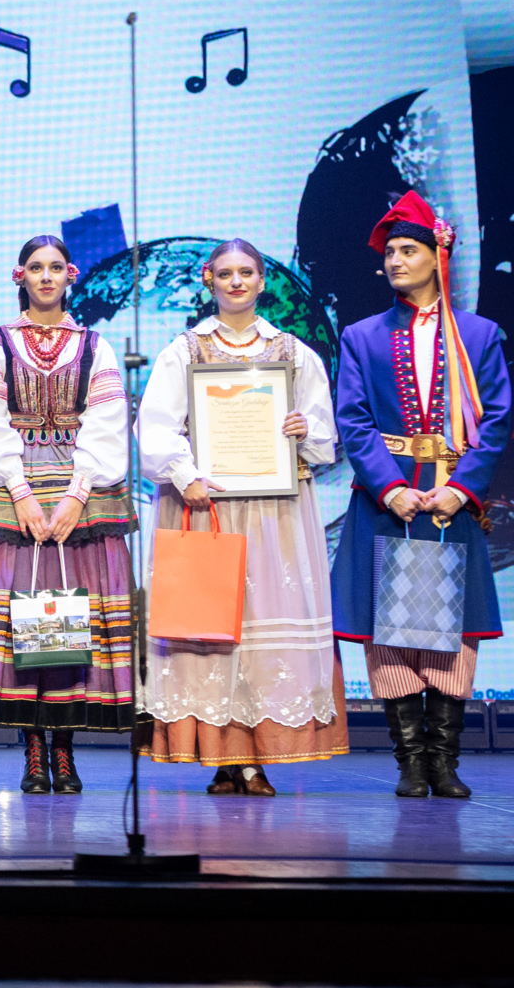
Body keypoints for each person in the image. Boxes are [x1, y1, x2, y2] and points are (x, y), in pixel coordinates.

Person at [136, 241, 347, 795]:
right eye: (226, 273)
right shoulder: (184, 350)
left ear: (260, 280)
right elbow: (155, 429)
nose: (236, 282)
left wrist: (304, 430)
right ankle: (224, 757)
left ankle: (256, 760)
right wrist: (186, 475)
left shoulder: (295, 353)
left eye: (246, 272)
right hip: (207, 507)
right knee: (210, 631)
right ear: (209, 279)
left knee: (263, 632)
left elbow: (323, 436)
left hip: (275, 512)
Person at [330, 192, 508, 798]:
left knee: (452, 629)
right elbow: (353, 420)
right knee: (391, 631)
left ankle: (445, 760)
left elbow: (497, 419)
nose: (395, 261)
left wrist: (461, 490)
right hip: (389, 500)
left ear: (438, 255)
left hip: (451, 501)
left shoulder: (479, 335)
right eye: (390, 253)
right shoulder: (362, 336)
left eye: (408, 250)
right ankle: (410, 761)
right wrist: (390, 488)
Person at [0, 236, 137, 794]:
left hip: (80, 486)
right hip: (13, 490)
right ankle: (33, 750)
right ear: (20, 276)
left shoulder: (95, 345)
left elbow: (107, 421)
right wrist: (21, 492)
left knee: (70, 619)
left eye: (56, 267)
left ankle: (65, 750)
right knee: (23, 621)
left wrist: (78, 494)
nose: (47, 276)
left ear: (71, 275)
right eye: (37, 267)